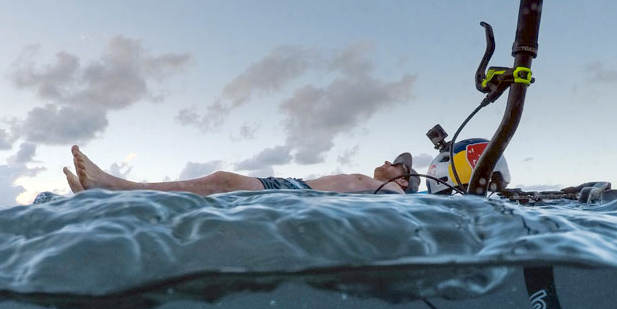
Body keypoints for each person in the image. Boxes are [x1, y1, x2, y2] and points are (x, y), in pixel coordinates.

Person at [62, 145, 420, 195]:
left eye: (395, 166)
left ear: (404, 179)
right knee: (212, 191)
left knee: (220, 181)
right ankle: (108, 196)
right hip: (295, 190)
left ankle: (113, 188)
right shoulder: (379, 187)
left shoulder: (397, 195)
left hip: (298, 197)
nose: (386, 164)